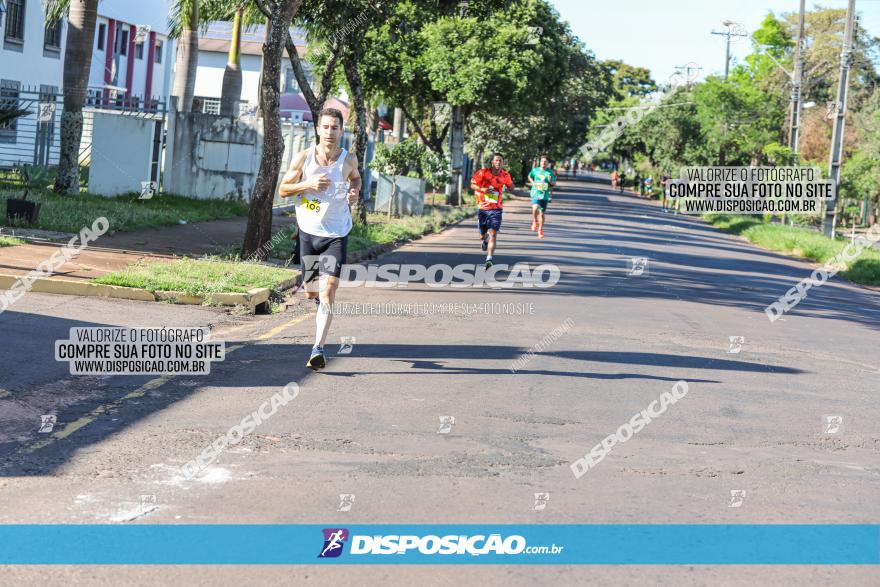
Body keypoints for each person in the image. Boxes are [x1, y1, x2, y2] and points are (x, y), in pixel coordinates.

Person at [278, 107, 361, 370]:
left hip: (336, 233)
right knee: (311, 290)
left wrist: (354, 193)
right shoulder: (304, 158)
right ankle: (315, 298)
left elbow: (357, 180)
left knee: (329, 290)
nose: (329, 132)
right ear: (318, 129)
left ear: (341, 131)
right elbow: (283, 190)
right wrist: (308, 185)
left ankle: (318, 349)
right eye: (325, 127)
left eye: (334, 127)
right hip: (308, 232)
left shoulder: (348, 160)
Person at [470, 153, 513, 268]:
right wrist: (482, 189)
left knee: (493, 234)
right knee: (482, 235)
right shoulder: (483, 173)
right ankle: (484, 240)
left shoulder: (505, 175)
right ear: (492, 162)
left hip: (496, 209)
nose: (498, 162)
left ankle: (489, 259)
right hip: (483, 208)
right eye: (496, 160)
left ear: (503, 163)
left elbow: (511, 186)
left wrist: (509, 187)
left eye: (500, 161)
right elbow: (472, 185)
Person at [527, 155, 556, 238]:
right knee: (535, 208)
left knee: (542, 214)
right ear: (540, 162)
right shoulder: (535, 170)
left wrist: (550, 181)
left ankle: (540, 229)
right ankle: (535, 221)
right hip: (536, 193)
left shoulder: (550, 172)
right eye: (542, 161)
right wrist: (532, 183)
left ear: (548, 163)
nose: (543, 163)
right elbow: (529, 176)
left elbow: (553, 184)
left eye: (545, 162)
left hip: (544, 195)